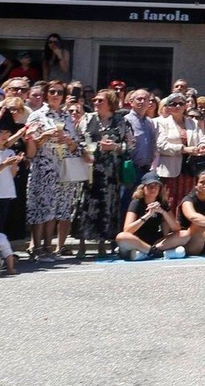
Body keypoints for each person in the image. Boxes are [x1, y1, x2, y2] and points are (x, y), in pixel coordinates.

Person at [25, 81, 82, 260]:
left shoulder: (67, 117)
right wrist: (43, 137)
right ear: (46, 94)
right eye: (52, 91)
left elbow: (76, 146)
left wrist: (68, 141)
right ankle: (37, 247)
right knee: (41, 206)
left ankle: (50, 247)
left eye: (59, 92)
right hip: (44, 166)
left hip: (63, 166)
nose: (55, 95)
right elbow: (31, 143)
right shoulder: (37, 115)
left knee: (57, 208)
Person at [76, 89, 132, 258]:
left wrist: (114, 147)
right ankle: (82, 244)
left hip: (110, 173)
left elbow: (130, 146)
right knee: (85, 206)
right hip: (89, 170)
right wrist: (83, 151)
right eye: (95, 100)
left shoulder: (120, 121)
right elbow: (77, 140)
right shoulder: (87, 118)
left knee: (106, 206)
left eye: (101, 100)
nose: (96, 103)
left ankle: (102, 243)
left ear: (110, 103)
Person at [116, 173, 187, 260]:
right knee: (121, 237)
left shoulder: (162, 203)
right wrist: (148, 215)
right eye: (149, 186)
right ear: (143, 188)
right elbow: (127, 230)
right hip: (137, 241)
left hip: (155, 241)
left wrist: (163, 212)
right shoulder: (136, 203)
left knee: (185, 234)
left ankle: (148, 253)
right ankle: (156, 253)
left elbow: (176, 228)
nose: (153, 189)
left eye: (156, 186)